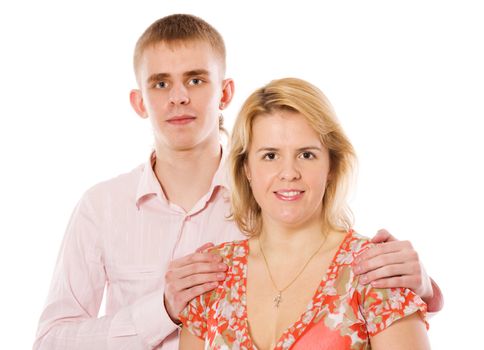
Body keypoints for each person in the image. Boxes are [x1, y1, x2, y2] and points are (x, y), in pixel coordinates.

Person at [34, 14, 440, 350]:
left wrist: (425, 285)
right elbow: (50, 341)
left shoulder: (278, 197)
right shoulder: (101, 206)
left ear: (225, 92)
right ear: (139, 100)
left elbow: (339, 269)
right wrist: (162, 309)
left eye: (195, 80)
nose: (178, 97)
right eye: (161, 83)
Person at [179, 77, 430, 349]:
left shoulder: (375, 271)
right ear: (246, 168)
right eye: (270, 156)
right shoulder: (211, 276)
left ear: (331, 165)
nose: (289, 173)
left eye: (306, 155)